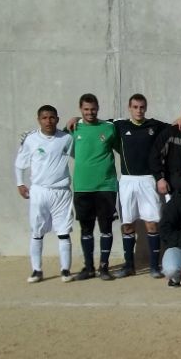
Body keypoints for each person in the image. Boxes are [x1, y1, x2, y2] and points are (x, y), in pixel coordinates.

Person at [111, 94, 170, 279]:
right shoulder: (119, 125)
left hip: (148, 180)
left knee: (152, 223)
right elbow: (94, 122)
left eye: (142, 107)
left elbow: (174, 128)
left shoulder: (154, 125)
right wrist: (76, 119)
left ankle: (154, 266)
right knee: (127, 224)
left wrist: (180, 119)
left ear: (146, 108)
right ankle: (129, 266)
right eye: (135, 107)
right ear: (130, 108)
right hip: (127, 181)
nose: (139, 110)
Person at [15, 105, 75, 283]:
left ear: (57, 119)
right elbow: (20, 163)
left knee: (64, 232)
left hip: (61, 192)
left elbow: (81, 154)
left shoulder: (66, 138)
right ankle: (37, 270)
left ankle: (65, 270)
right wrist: (20, 183)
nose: (48, 121)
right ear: (39, 119)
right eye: (45, 118)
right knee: (37, 231)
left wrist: (77, 120)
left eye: (52, 118)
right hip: (39, 191)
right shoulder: (31, 139)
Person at [69, 94, 119, 281]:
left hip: (105, 186)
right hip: (82, 186)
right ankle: (88, 268)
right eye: (86, 109)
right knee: (86, 229)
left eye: (93, 109)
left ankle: (104, 267)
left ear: (98, 108)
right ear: (81, 109)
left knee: (106, 227)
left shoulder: (109, 128)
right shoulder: (74, 128)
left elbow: (122, 147)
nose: (90, 112)